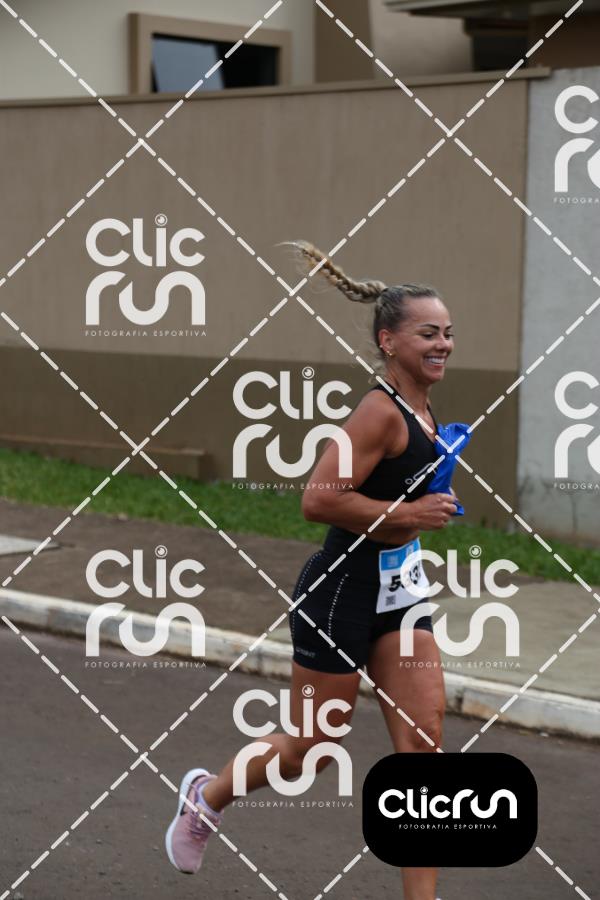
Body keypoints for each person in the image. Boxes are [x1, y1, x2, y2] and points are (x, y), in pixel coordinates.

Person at [165, 242, 457, 900]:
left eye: (447, 333)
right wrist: (408, 512)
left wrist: (421, 507)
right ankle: (207, 797)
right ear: (388, 341)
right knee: (311, 749)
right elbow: (318, 500)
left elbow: (390, 499)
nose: (442, 344)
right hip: (340, 594)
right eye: (428, 334)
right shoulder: (380, 411)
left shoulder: (423, 410)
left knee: (424, 753)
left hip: (399, 597)